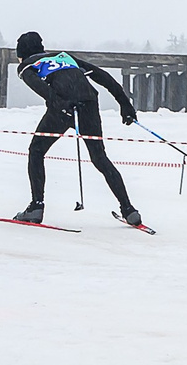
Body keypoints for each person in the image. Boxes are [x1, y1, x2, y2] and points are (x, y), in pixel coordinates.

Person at [12, 31, 140, 227]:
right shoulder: (64, 57)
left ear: (22, 52)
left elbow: (38, 86)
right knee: (100, 158)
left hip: (62, 107)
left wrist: (61, 104)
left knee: (36, 151)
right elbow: (102, 76)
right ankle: (129, 210)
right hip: (88, 104)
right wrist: (125, 105)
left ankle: (36, 207)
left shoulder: (26, 65)